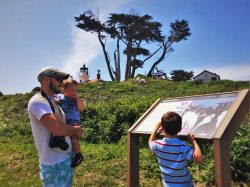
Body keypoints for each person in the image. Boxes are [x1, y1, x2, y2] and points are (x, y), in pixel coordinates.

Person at [28, 67, 83, 187]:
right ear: (46, 79)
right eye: (58, 79)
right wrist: (77, 130)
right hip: (54, 163)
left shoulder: (52, 101)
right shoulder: (38, 101)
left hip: (64, 158)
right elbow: (58, 129)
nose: (62, 83)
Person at [148, 112, 204, 187]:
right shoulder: (182, 146)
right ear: (180, 129)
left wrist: (156, 128)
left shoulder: (158, 145)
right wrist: (193, 141)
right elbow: (199, 159)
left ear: (163, 129)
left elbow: (150, 143)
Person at [53, 79, 85, 168]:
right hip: (63, 119)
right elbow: (51, 101)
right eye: (72, 89)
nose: (74, 92)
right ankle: (59, 141)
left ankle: (78, 154)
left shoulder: (75, 100)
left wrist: (78, 99)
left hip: (74, 120)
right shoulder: (59, 96)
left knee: (73, 136)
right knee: (57, 126)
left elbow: (82, 109)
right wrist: (56, 100)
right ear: (64, 89)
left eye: (75, 90)